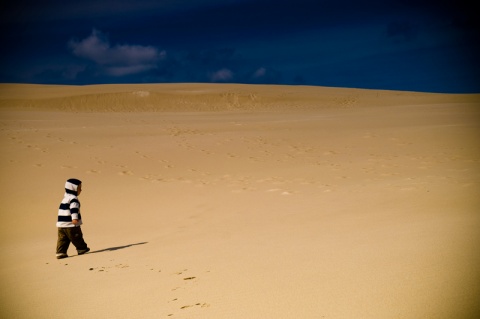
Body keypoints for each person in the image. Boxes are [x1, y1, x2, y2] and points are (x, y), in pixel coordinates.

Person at [56, 178, 90, 259]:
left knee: (63, 239)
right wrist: (75, 218)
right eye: (79, 188)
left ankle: (60, 252)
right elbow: (73, 209)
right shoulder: (73, 199)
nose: (81, 190)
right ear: (73, 189)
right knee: (77, 236)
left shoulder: (65, 198)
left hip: (61, 225)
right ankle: (82, 248)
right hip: (70, 225)